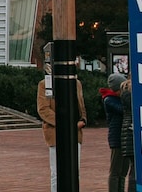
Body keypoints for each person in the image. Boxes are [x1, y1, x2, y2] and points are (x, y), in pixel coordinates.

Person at [35, 49, 85, 192]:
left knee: (74, 171)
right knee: (56, 172)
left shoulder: (77, 83)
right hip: (56, 133)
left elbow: (81, 105)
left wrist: (83, 120)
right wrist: (65, 124)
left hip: (75, 132)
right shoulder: (45, 85)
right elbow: (43, 110)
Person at [102, 73, 135, 192]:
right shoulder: (109, 100)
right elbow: (123, 110)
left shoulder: (118, 98)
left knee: (123, 171)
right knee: (115, 171)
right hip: (116, 139)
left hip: (125, 138)